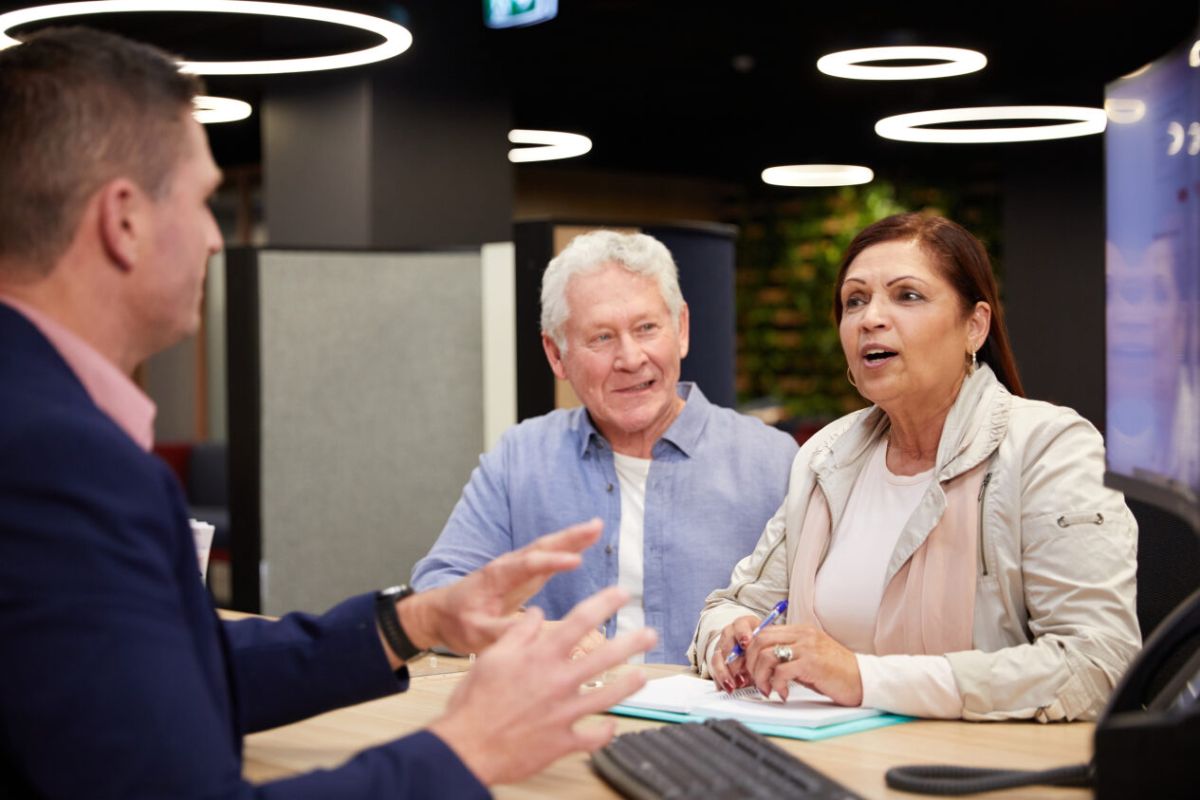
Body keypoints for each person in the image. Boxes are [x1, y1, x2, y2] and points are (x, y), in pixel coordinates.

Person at [0, 27, 656, 798]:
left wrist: (410, 622)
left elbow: (168, 681)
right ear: (125, 221)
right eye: (206, 200)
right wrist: (468, 748)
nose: (216, 238)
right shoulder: (57, 459)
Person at [689, 212, 1142, 722]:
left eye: (907, 296)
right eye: (854, 301)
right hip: (823, 760)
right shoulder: (826, 454)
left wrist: (861, 679)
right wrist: (731, 636)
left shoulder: (1048, 447)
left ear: (974, 326)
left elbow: (1099, 664)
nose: (870, 319)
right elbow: (730, 606)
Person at [412, 230, 798, 663]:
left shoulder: (775, 463)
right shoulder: (520, 459)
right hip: (561, 718)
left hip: (721, 722)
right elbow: (437, 593)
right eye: (601, 337)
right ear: (556, 354)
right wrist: (524, 631)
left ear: (682, 329)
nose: (631, 358)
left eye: (647, 328)